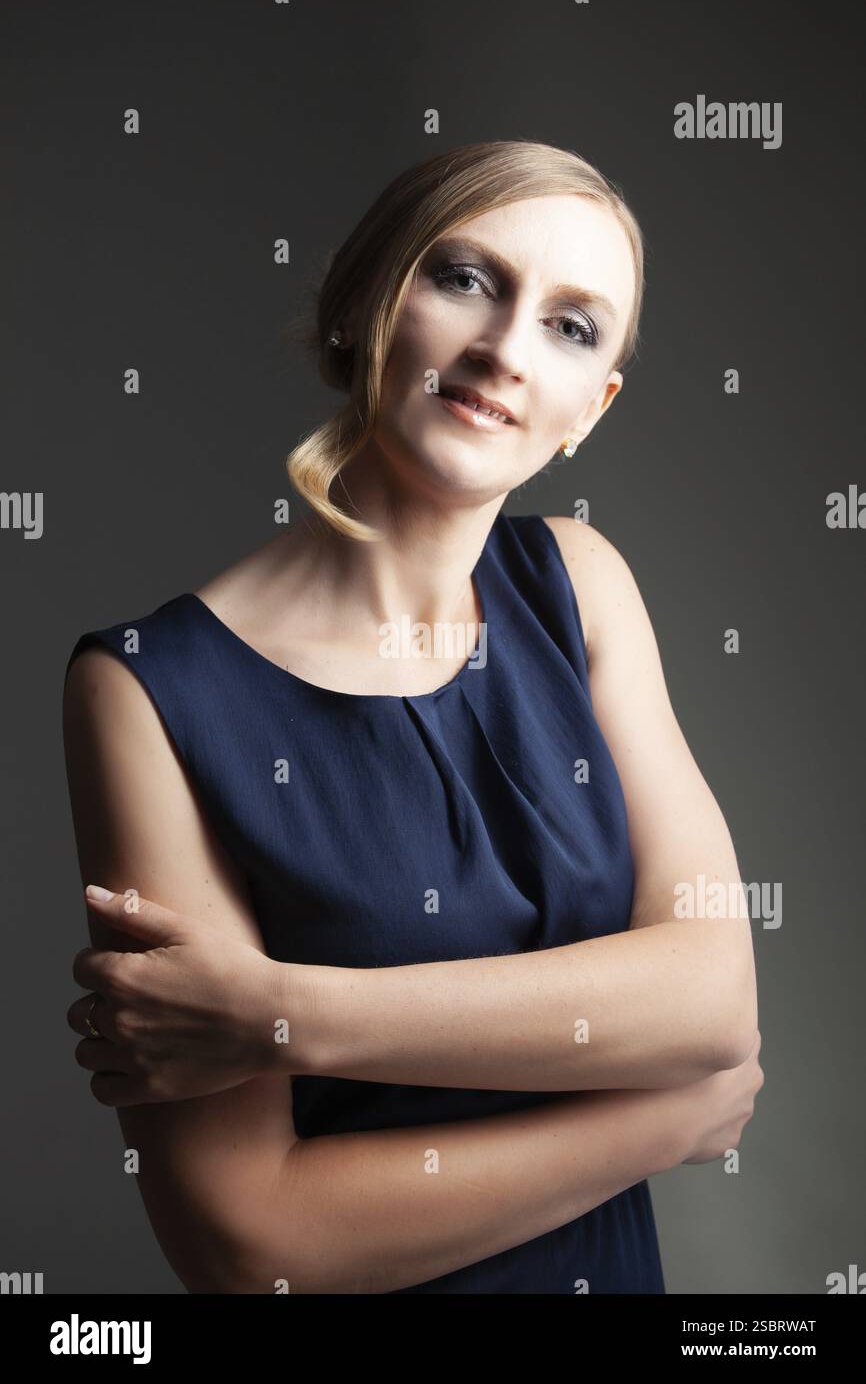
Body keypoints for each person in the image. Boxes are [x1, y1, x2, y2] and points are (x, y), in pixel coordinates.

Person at [62, 139, 763, 1294]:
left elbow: (710, 996)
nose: (502, 351)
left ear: (590, 409)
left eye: (570, 326)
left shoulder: (580, 587)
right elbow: (251, 1247)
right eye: (467, 279)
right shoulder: (144, 689)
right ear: (364, 301)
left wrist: (284, 1013)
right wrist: (656, 1125)